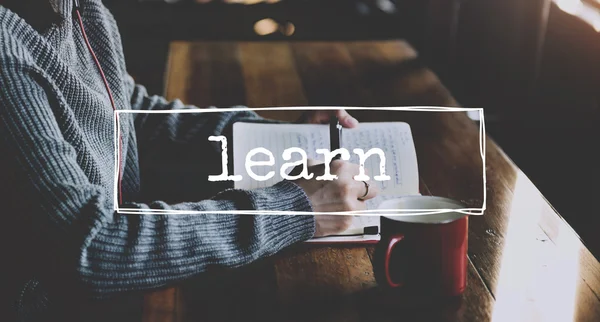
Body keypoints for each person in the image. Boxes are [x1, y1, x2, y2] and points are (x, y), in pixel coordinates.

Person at [0, 1, 378, 321]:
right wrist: (295, 208)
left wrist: (272, 135)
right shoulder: (7, 52)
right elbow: (93, 247)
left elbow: (130, 111)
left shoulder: (81, 8)